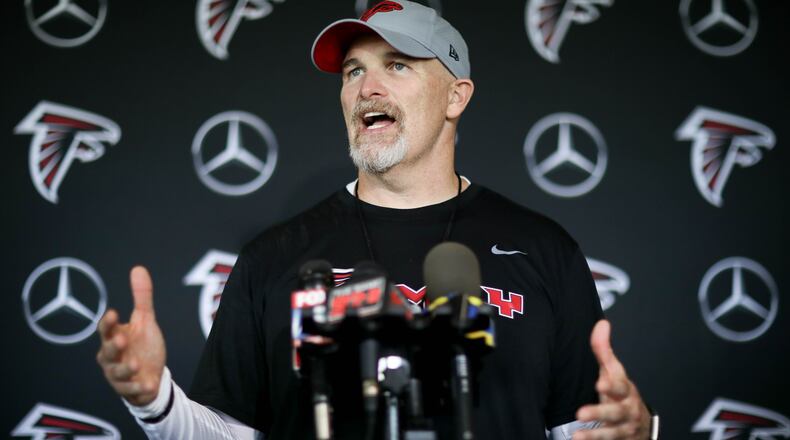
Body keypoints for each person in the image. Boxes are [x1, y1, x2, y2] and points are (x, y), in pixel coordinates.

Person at [96, 1, 656, 439]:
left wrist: (638, 433)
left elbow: (587, 431)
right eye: (352, 71)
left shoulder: (542, 249)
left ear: (456, 96)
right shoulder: (275, 255)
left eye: (398, 66)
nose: (368, 88)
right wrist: (153, 399)